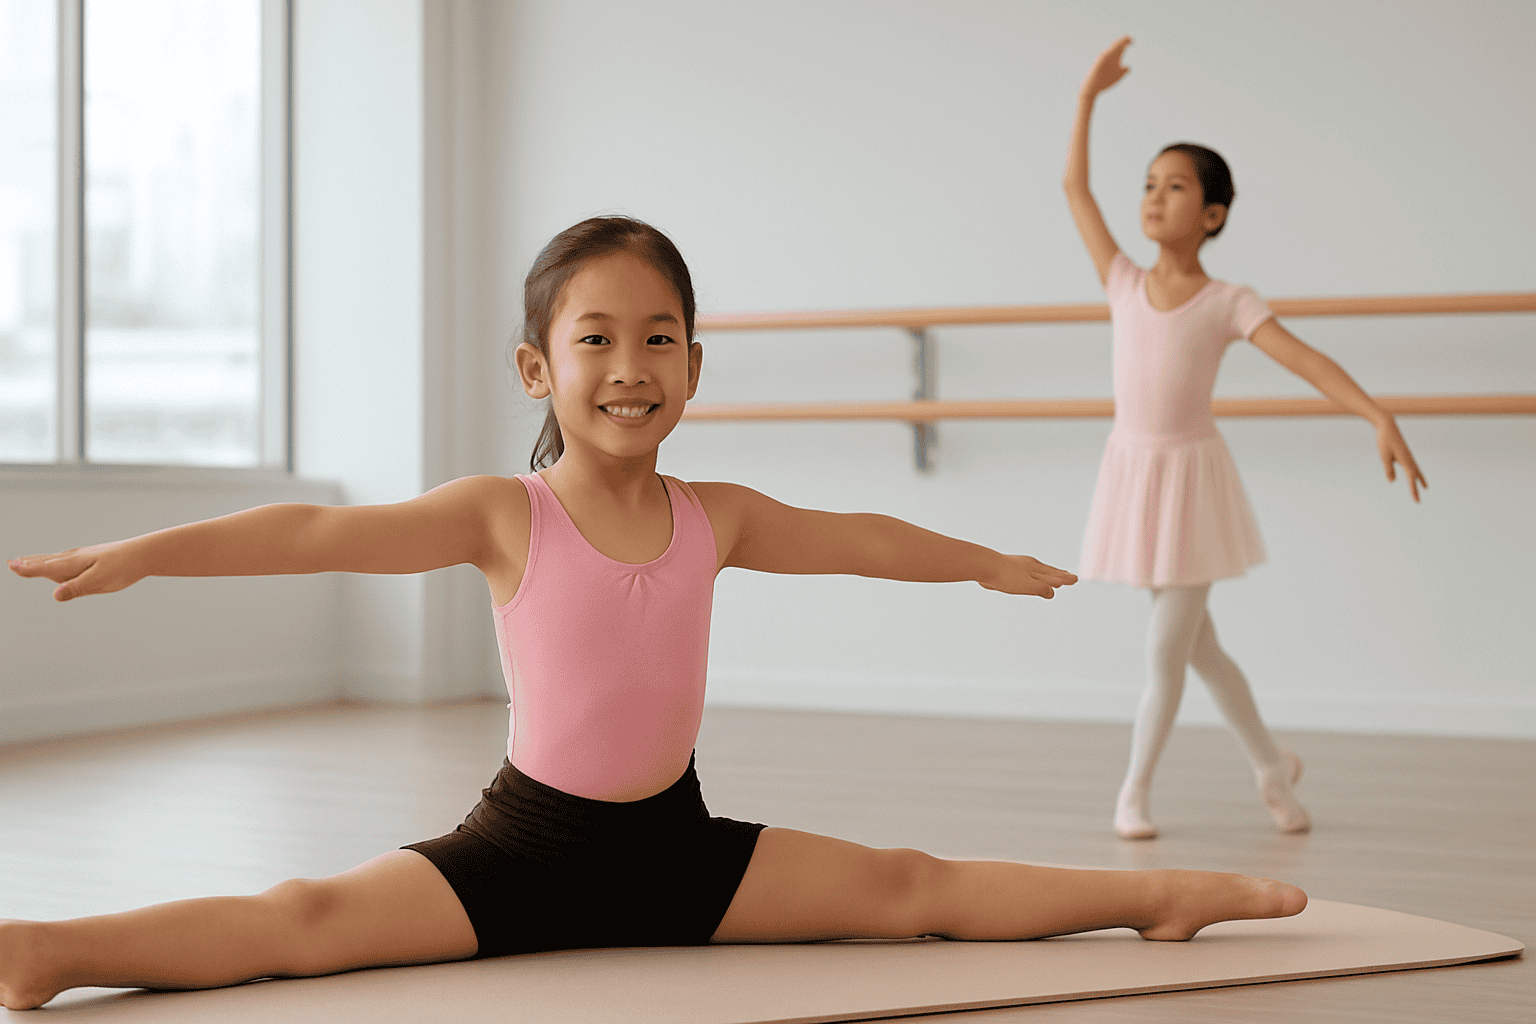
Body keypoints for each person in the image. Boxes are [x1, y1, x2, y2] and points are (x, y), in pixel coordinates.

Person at [2, 216, 1307, 1011]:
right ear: (540, 366)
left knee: (915, 887)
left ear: (693, 362)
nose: (631, 368)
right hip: (522, 855)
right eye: (598, 340)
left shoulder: (715, 513)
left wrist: (982, 562)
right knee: (306, 922)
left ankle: (1166, 898)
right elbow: (312, 532)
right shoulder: (502, 513)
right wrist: (145, 551)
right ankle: (51, 949)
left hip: (682, 855)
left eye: (661, 338)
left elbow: (853, 539)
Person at [1062, 38, 1427, 841]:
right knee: (1201, 649)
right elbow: (1074, 189)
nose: (1155, 197)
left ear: (1213, 214)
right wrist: (1089, 97)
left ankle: (1134, 792)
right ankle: (1271, 766)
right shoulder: (1122, 281)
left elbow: (1304, 358)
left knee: (1166, 650)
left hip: (1191, 486)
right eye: (1149, 184)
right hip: (1135, 474)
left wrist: (1376, 413)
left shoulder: (1228, 301)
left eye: (1176, 186)